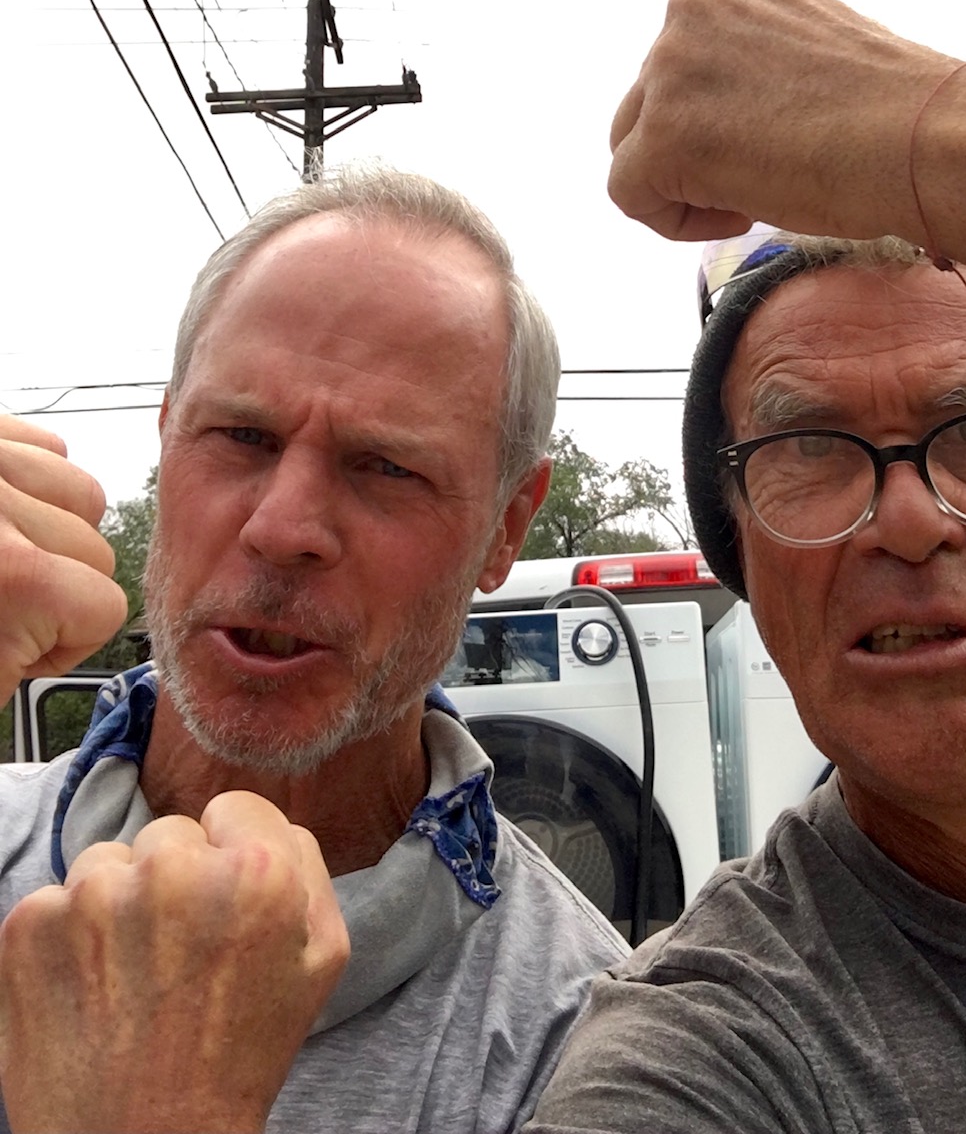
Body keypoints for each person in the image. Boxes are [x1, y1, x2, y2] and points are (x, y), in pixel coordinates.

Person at [523, 0, 966, 1131]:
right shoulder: (710, 1051)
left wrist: (925, 132)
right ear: (746, 560)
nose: (909, 519)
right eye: (810, 449)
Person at [0, 165, 627, 1134]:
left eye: (386, 466)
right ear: (166, 438)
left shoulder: (582, 1048)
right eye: (241, 435)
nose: (283, 527)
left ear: (506, 527)